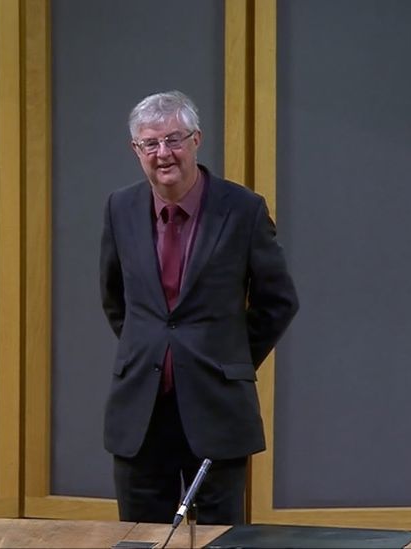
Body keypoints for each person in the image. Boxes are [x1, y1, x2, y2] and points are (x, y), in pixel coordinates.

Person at [99, 90, 298, 525]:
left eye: (174, 139)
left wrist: (229, 357)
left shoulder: (242, 209)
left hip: (215, 406)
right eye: (150, 144)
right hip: (140, 412)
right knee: (139, 537)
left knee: (218, 538)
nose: (163, 153)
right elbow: (116, 300)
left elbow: (278, 300)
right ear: (136, 150)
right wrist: (154, 352)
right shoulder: (121, 207)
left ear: (196, 140)